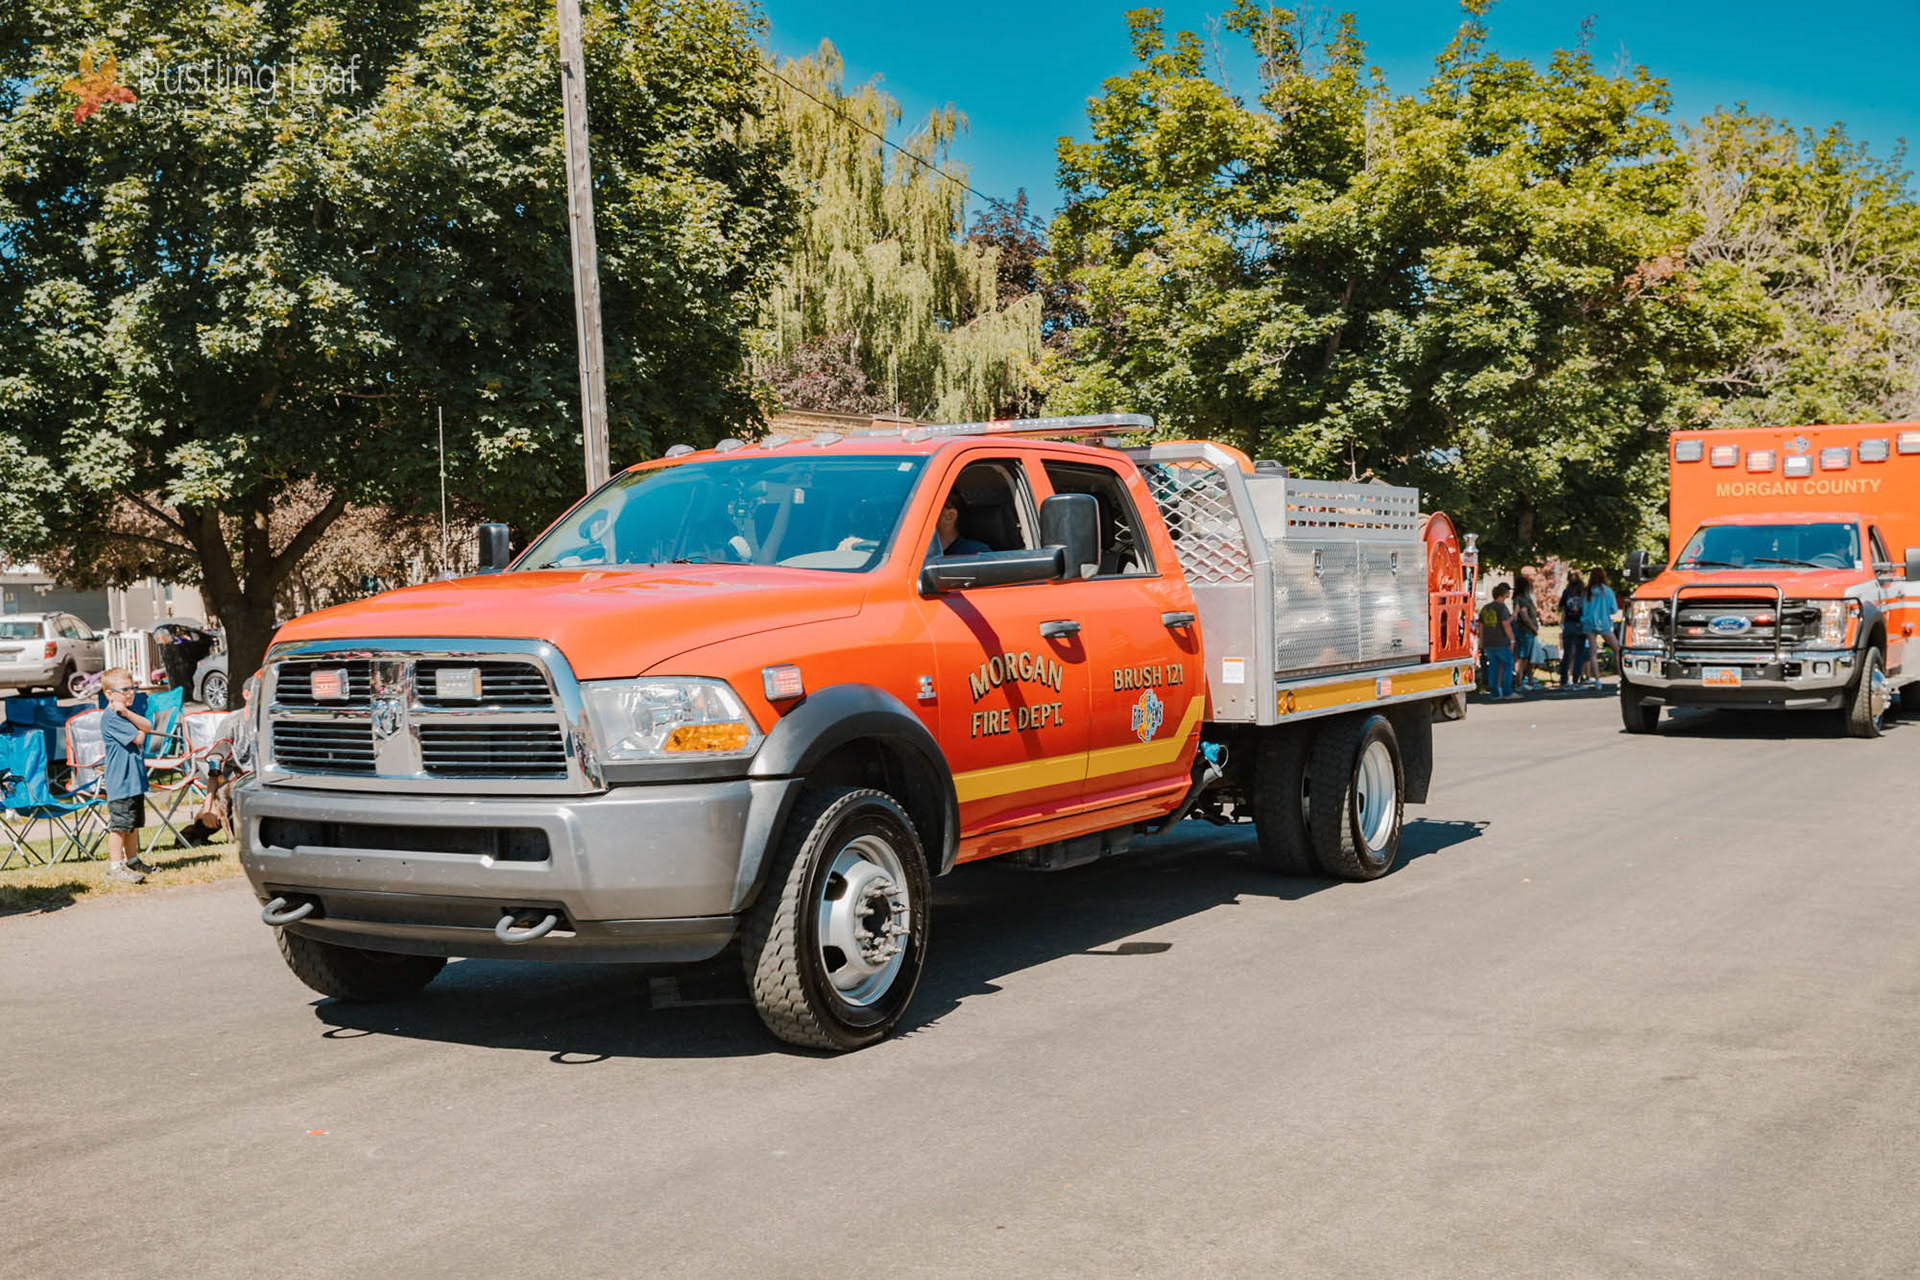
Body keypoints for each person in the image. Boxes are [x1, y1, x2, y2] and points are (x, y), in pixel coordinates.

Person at [99, 667, 154, 884]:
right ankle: (115, 867)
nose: (130, 693)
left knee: (132, 824)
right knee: (120, 825)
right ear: (109, 694)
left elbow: (148, 726)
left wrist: (129, 714)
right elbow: (140, 737)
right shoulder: (112, 717)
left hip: (133, 779)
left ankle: (133, 860)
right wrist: (136, 725)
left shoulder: (124, 714)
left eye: (132, 688)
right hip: (120, 780)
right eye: (125, 690)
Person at [1479, 582, 1516, 700]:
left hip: (1489, 642)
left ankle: (1494, 692)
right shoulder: (1502, 607)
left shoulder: (1486, 608)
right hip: (1501, 641)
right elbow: (1505, 625)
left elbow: (1481, 626)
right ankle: (1507, 691)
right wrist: (1512, 640)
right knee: (1508, 665)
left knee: (1493, 667)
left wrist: (1481, 642)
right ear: (1503, 594)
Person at [1583, 566, 1619, 687]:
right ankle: (1621, 676)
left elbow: (1584, 609)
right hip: (1603, 623)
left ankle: (1597, 679)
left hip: (1589, 623)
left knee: (1593, 652)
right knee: (1617, 649)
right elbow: (1613, 609)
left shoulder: (1588, 592)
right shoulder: (1607, 591)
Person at [1513, 572, 1543, 690]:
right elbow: (1524, 615)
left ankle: (1530, 680)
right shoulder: (1520, 599)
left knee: (1530, 657)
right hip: (1525, 631)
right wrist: (1533, 627)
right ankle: (1520, 681)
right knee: (1522, 657)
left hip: (1529, 632)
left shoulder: (1526, 597)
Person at [1558, 571, 1588, 688]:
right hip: (1580, 623)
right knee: (1579, 653)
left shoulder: (1566, 592)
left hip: (1569, 623)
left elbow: (1560, 607)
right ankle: (1576, 679)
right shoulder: (1584, 592)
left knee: (1567, 653)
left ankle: (1563, 680)